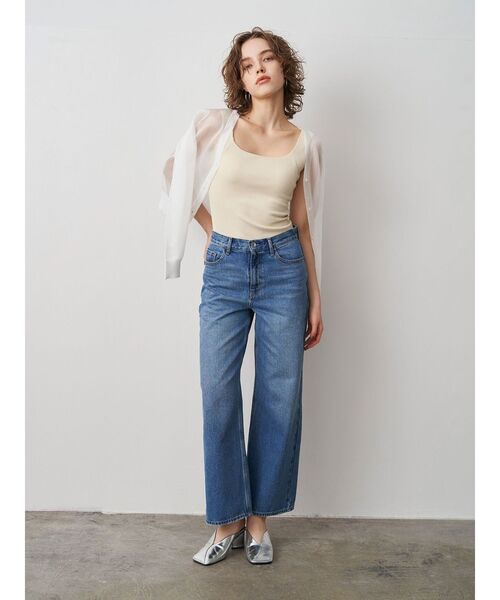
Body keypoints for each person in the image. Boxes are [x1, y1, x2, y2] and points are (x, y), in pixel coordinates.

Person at [160, 27, 325, 565]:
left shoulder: (304, 144)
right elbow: (173, 173)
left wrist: (316, 296)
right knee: (218, 392)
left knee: (279, 395)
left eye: (267, 58)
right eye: (248, 63)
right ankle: (227, 518)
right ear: (240, 78)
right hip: (226, 270)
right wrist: (214, 231)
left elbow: (304, 226)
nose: (259, 68)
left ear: (283, 68)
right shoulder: (217, 126)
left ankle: (258, 521)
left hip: (283, 269)